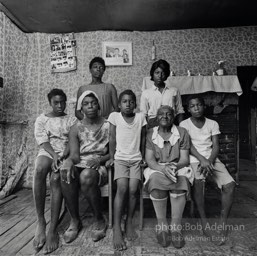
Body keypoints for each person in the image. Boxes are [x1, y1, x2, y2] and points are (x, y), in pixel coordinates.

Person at [180, 95, 235, 245]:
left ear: (204, 106)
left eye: (199, 105)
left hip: (212, 159)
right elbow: (188, 146)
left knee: (229, 185)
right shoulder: (184, 124)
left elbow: (216, 145)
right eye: (192, 106)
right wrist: (202, 161)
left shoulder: (212, 123)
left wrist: (209, 161)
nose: (196, 108)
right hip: (194, 159)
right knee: (199, 182)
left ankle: (223, 222)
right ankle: (204, 222)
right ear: (188, 109)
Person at [60, 90, 110, 244]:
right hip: (80, 162)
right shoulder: (76, 128)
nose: (90, 106)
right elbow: (75, 155)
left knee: (86, 176)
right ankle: (75, 220)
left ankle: (99, 218)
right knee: (65, 172)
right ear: (81, 109)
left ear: (98, 106)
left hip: (99, 164)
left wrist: (101, 159)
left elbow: (115, 153)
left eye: (94, 103)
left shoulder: (109, 125)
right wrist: (68, 161)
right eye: (86, 104)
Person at [33, 89, 77, 254]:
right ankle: (41, 221)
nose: (59, 105)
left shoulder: (71, 120)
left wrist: (62, 157)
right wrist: (54, 156)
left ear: (66, 102)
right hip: (49, 151)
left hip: (65, 153)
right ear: (50, 102)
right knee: (39, 169)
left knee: (56, 178)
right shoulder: (42, 119)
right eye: (56, 102)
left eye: (62, 102)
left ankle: (52, 229)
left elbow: (72, 141)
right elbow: (43, 142)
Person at [144, 105, 193, 249]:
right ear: (156, 117)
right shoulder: (150, 134)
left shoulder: (182, 132)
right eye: (161, 114)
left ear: (173, 117)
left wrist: (173, 167)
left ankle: (176, 228)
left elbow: (184, 159)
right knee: (156, 181)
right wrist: (162, 168)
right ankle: (162, 226)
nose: (165, 117)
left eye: (169, 114)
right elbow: (150, 160)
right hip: (157, 168)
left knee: (180, 181)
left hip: (177, 166)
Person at [106, 89, 147, 251]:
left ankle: (128, 221)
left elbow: (143, 138)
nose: (128, 104)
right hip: (121, 159)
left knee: (132, 189)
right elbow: (111, 138)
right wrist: (111, 157)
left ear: (135, 104)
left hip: (136, 160)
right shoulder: (114, 117)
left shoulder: (140, 118)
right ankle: (117, 227)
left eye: (131, 101)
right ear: (119, 104)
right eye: (124, 101)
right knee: (122, 187)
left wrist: (143, 156)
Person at [140, 59, 185, 128]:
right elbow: (143, 115)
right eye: (157, 73)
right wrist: (147, 130)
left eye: (163, 73)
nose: (160, 76)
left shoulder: (174, 91)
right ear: (152, 73)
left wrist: (181, 128)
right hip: (153, 124)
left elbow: (180, 111)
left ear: (166, 74)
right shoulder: (146, 93)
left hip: (171, 123)